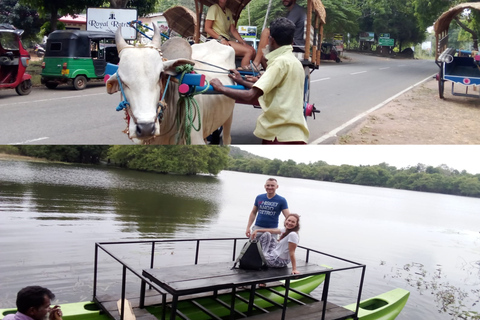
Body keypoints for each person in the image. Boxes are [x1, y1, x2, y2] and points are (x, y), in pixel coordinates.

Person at [210, 17, 309, 145]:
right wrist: (241, 81)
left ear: (271, 40)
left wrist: (220, 88)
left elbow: (250, 95)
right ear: (292, 41)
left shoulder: (279, 63)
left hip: (279, 136)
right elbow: (266, 88)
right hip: (294, 134)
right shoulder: (294, 62)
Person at [249, 0, 306, 70]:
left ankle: (256, 64)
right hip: (290, 42)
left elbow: (283, 28)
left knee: (266, 32)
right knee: (263, 55)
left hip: (295, 45)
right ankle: (270, 73)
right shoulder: (292, 11)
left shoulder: (297, 10)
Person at [204, 0, 256, 69]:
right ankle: (243, 75)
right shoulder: (214, 8)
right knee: (248, 51)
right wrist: (221, 39)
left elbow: (233, 30)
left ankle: (251, 71)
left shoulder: (228, 11)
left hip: (226, 40)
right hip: (216, 40)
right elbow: (207, 28)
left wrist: (243, 42)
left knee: (253, 50)